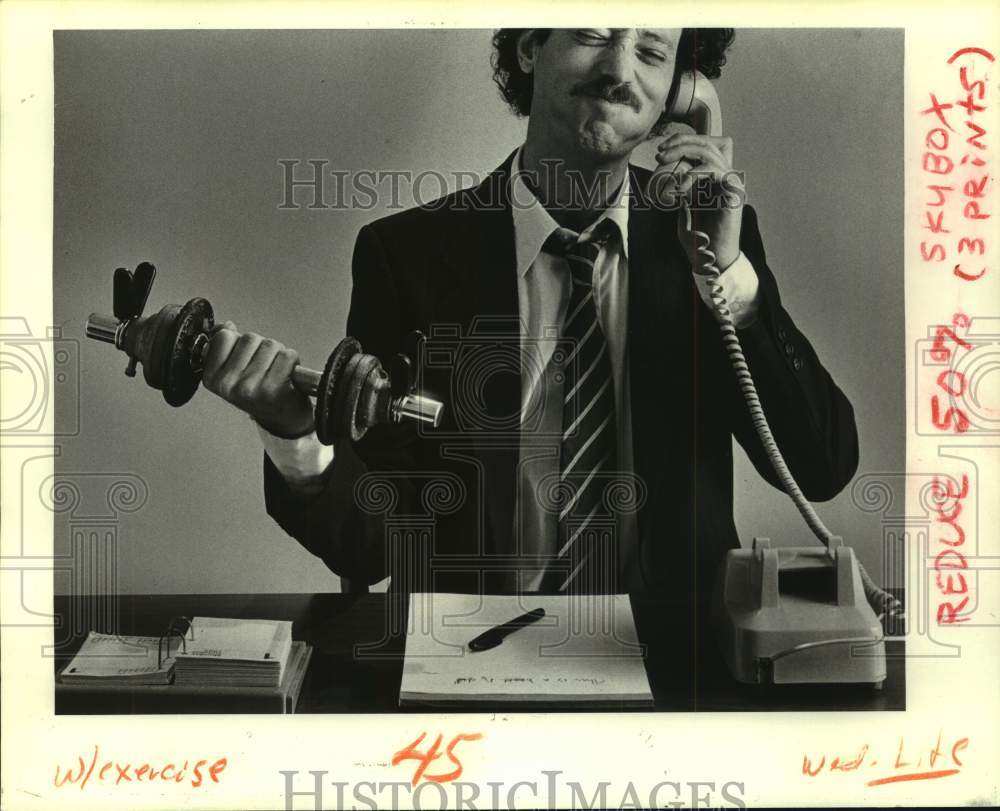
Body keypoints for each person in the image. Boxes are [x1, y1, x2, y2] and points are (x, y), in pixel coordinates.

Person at [202, 28, 858, 599]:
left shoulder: (710, 245)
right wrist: (296, 435)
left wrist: (733, 286)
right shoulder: (405, 255)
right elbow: (375, 543)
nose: (619, 69)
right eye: (592, 34)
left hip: (672, 658)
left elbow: (821, 467)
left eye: (653, 51)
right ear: (529, 46)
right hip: (476, 659)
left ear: (678, 94)